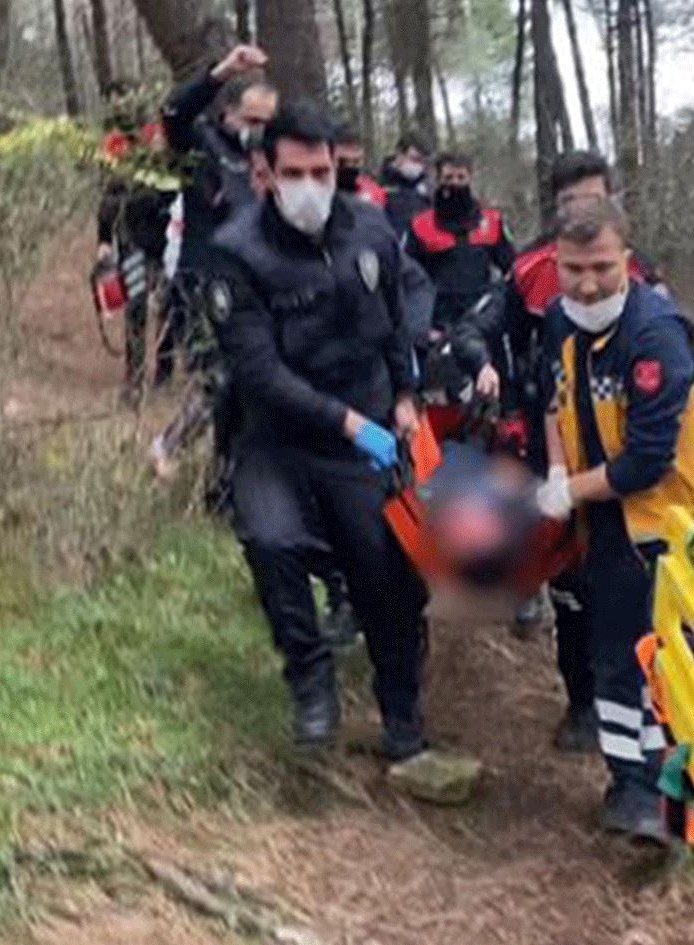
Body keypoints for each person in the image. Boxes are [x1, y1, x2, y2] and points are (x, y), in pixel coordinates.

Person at [210, 103, 430, 757]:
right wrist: (348, 421)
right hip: (276, 438)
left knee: (385, 578)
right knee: (271, 543)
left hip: (365, 434)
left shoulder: (371, 231)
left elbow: (394, 324)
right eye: (294, 171)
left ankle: (404, 720)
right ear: (265, 173)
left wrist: (408, 395)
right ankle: (310, 682)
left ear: (339, 166)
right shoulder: (235, 254)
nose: (310, 183)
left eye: (321, 169)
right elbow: (258, 372)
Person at [535, 198, 694, 841]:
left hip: (675, 514)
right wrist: (555, 475)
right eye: (573, 269)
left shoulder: (655, 336)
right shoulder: (558, 321)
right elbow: (552, 399)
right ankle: (638, 784)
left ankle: (664, 792)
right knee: (618, 646)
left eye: (601, 267)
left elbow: (647, 461)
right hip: (607, 507)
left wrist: (569, 490)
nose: (587, 283)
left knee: (653, 652)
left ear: (627, 259)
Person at [454, 151, 663, 752]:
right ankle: (582, 703)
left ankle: (651, 735)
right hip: (551, 452)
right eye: (569, 205)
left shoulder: (643, 281)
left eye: (593, 203)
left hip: (632, 465)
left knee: (635, 593)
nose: (587, 279)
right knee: (569, 582)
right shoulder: (528, 273)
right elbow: (477, 328)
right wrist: (482, 363)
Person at [161, 44, 280, 512]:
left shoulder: (270, 162)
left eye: (267, 122)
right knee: (219, 379)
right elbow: (172, 113)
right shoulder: (203, 143)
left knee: (247, 388)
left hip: (251, 288)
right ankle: (171, 450)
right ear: (230, 113)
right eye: (251, 120)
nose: (258, 131)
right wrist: (221, 72)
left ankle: (227, 484)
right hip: (200, 282)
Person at [96, 114, 176, 403]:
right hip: (135, 246)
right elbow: (106, 204)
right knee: (137, 307)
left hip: (169, 246)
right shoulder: (121, 158)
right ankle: (135, 378)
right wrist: (104, 241)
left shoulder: (174, 160)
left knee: (169, 309)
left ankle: (164, 374)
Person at [405, 151, 517, 342]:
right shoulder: (420, 225)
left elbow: (513, 271)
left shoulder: (491, 222)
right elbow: (407, 280)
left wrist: (497, 308)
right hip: (439, 325)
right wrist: (421, 326)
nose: (455, 183)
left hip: (482, 322)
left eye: (461, 177)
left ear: (470, 178)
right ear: (438, 180)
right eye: (449, 177)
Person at [379, 132, 433, 237]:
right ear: (400, 154)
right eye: (414, 159)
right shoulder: (380, 186)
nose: (418, 165)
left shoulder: (427, 190)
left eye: (422, 161)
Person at [333, 123, 388, 209]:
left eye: (356, 161)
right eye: (343, 161)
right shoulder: (320, 193)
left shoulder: (373, 191)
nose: (350, 166)